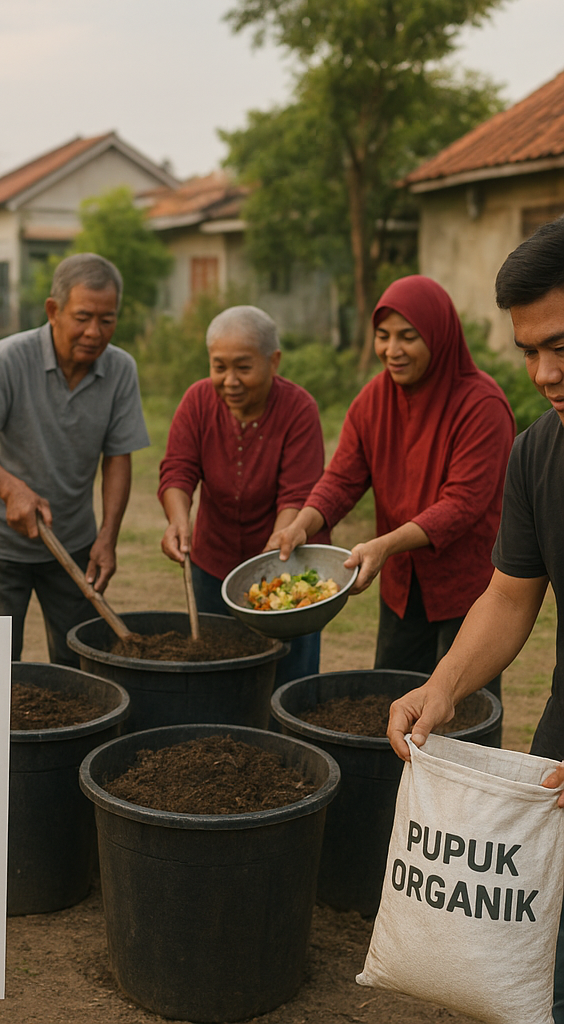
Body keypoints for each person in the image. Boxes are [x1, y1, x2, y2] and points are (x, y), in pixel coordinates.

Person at [383, 219, 564, 1023]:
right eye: (530, 351)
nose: (545, 373)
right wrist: (443, 686)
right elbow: (511, 595)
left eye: (562, 346)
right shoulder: (538, 453)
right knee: (547, 953)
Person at [271, 276, 515, 686]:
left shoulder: (482, 405)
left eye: (408, 337)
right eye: (383, 336)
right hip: (403, 584)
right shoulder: (373, 400)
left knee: (465, 704)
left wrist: (384, 544)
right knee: (392, 694)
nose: (392, 350)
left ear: (438, 335)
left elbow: (462, 505)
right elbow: (341, 479)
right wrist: (302, 524)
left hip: (468, 588)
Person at [0, 253, 149, 664]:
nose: (94, 332)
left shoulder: (121, 370)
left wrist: (108, 536)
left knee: (78, 660)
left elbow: (118, 457)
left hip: (73, 539)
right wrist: (12, 490)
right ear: (53, 311)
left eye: (107, 319)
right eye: (83, 317)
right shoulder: (8, 358)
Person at [158, 305, 328, 683]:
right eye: (219, 367)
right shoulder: (197, 401)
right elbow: (178, 469)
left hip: (284, 565)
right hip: (212, 563)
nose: (230, 381)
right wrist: (178, 521)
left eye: (243, 367)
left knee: (288, 676)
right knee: (218, 673)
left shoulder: (299, 409)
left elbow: (297, 493)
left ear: (274, 361)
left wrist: (273, 556)